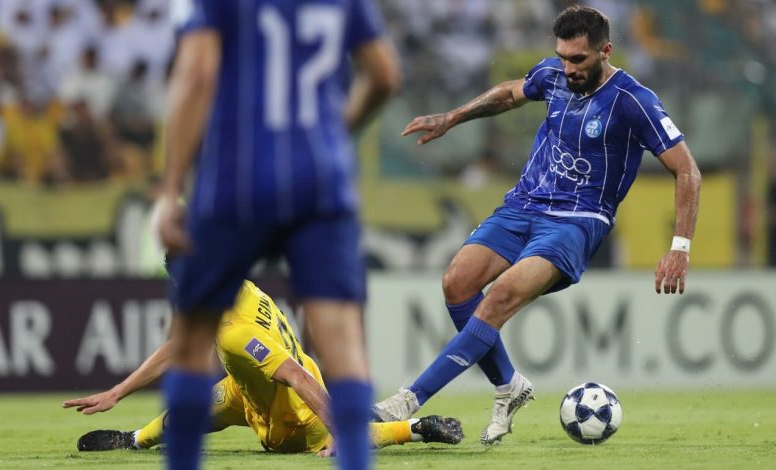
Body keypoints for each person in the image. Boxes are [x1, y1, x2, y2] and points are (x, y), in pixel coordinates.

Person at [373, 5, 701, 446]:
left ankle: (406, 401)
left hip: (577, 221)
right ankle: (509, 385)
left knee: (499, 297)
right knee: (457, 283)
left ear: (605, 51)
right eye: (563, 57)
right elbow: (509, 94)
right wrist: (453, 116)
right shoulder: (554, 74)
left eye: (578, 59)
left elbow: (687, 170)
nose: (568, 68)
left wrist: (679, 247)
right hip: (523, 205)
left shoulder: (633, 101)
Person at [156, 1, 399, 469]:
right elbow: (384, 75)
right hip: (320, 183)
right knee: (343, 344)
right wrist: (336, 133)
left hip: (234, 180)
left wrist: (170, 189)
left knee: (191, 340)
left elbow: (196, 74)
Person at [63, 280, 463, 453]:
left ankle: (414, 428)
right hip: (247, 391)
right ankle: (132, 440)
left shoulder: (234, 332)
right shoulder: (238, 287)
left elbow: (296, 377)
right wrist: (117, 392)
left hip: (292, 412)